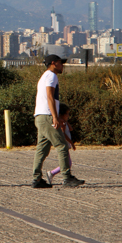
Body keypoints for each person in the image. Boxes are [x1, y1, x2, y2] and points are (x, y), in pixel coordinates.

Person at [31, 54, 84, 188]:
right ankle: (67, 178)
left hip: (40, 117)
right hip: (47, 116)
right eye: (61, 63)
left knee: (42, 149)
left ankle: (36, 179)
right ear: (54, 63)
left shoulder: (44, 76)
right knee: (62, 146)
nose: (63, 66)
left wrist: (56, 116)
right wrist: (54, 116)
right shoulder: (51, 76)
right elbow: (49, 96)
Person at [46, 103, 75, 185]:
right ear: (61, 114)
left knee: (68, 163)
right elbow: (63, 133)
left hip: (66, 144)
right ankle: (52, 173)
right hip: (64, 144)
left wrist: (67, 122)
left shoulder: (64, 122)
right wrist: (71, 142)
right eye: (67, 114)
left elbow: (71, 129)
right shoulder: (61, 123)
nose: (68, 116)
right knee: (67, 163)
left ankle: (55, 174)